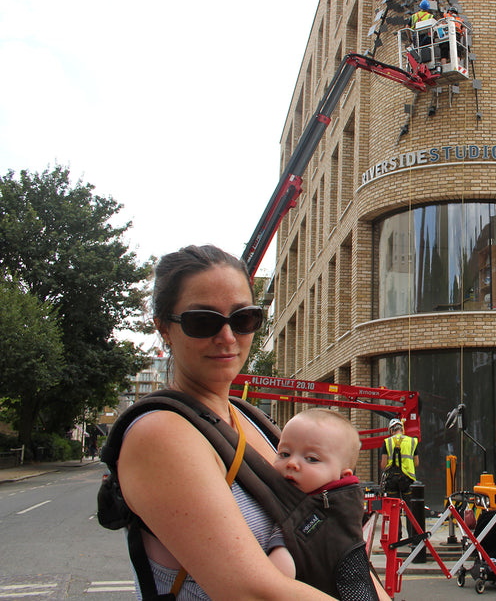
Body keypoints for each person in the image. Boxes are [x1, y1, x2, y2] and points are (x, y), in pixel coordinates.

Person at [116, 244, 336, 600]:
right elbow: (251, 592)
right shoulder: (160, 433)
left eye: (243, 318)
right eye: (203, 321)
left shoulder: (252, 418)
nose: (228, 337)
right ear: (164, 328)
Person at [268, 409, 362, 578]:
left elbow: (276, 578)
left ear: (342, 476)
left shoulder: (300, 515)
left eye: (311, 459)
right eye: (284, 454)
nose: (292, 463)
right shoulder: (344, 509)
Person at [380, 418, 419, 502]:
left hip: (392, 479)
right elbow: (416, 463)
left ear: (391, 431)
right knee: (409, 507)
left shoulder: (387, 442)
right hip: (407, 478)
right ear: (402, 429)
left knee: (393, 506)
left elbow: (383, 465)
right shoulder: (412, 441)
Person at [410, 0, 434, 64]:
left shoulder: (413, 16)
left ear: (420, 7)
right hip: (426, 36)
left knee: (417, 51)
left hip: (416, 35)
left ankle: (419, 63)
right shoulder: (430, 16)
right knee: (427, 49)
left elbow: (407, 27)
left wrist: (410, 38)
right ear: (428, 8)